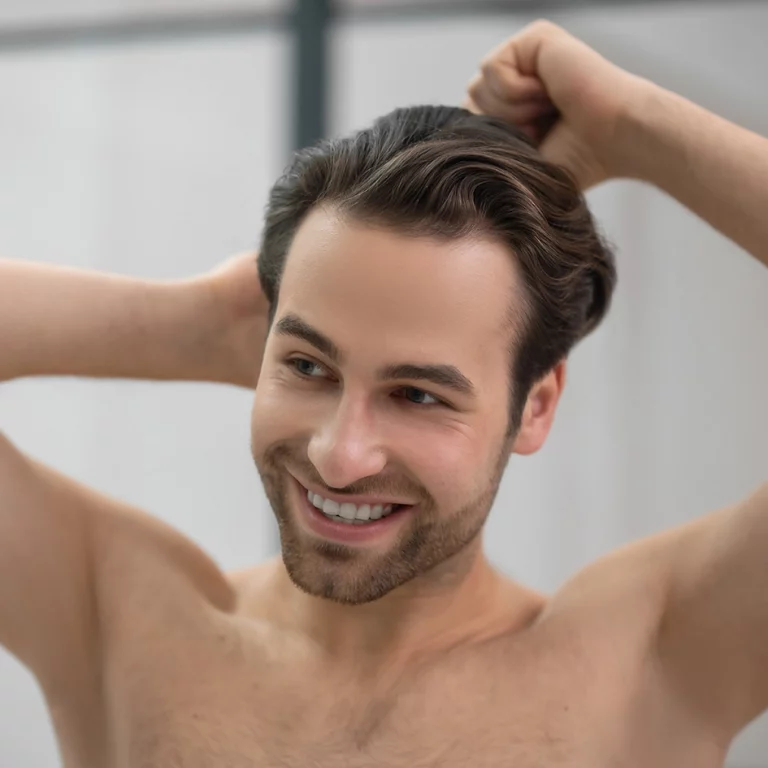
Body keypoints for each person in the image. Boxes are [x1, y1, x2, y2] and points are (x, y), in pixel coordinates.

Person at [1, 19, 766, 767]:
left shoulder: (654, 662)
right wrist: (196, 322)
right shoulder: (122, 615)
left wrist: (628, 125)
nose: (339, 456)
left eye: (418, 396)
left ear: (534, 405)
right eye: (308, 367)